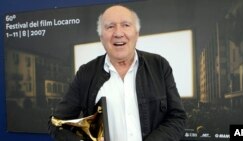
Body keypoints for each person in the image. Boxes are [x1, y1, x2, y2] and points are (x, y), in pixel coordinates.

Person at [48, 5, 187, 141]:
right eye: (110, 26)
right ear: (101, 37)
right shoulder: (85, 73)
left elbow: (177, 118)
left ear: (137, 34)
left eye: (126, 25)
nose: (118, 33)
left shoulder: (159, 66)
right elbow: (56, 123)